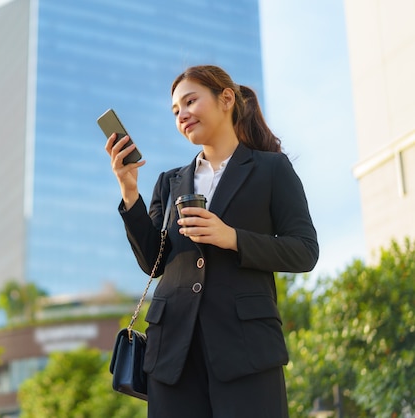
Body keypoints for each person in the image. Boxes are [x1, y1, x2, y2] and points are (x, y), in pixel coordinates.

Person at [105, 65, 319, 417]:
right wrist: (130, 192)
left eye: (190, 101)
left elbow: (305, 251)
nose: (183, 114)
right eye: (176, 111)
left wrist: (231, 237)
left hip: (246, 352)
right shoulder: (169, 182)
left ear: (226, 99)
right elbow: (154, 263)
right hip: (172, 357)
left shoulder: (272, 170)